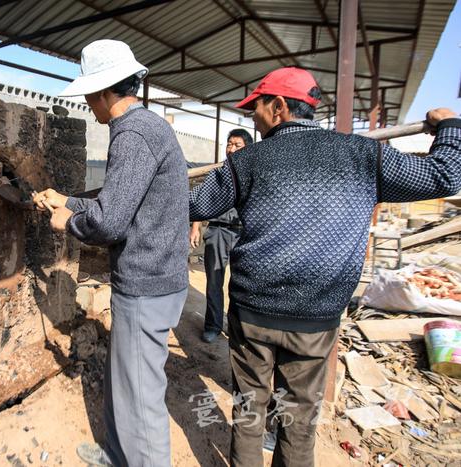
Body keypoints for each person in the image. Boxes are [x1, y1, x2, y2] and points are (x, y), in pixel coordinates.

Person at [188, 66, 461, 467]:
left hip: (254, 313)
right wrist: (451, 128)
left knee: (249, 413)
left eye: (256, 109)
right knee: (298, 422)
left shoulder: (249, 160)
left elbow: (194, 204)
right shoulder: (364, 154)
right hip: (315, 320)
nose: (252, 118)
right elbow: (446, 174)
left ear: (279, 107)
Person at [33, 40, 189, 467]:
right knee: (125, 383)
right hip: (154, 280)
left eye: (89, 95)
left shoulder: (132, 136)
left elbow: (110, 222)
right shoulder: (145, 128)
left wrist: (69, 221)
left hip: (146, 285)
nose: (87, 103)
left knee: (141, 400)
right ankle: (119, 456)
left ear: (103, 92)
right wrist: (67, 198)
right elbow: (119, 200)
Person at [189, 128, 253, 343]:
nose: (232, 148)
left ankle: (237, 329)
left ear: (248, 149)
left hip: (242, 233)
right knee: (214, 281)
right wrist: (195, 227)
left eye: (237, 145)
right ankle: (213, 326)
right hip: (217, 231)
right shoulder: (217, 172)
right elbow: (201, 201)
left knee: (241, 283)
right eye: (229, 144)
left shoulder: (253, 172)